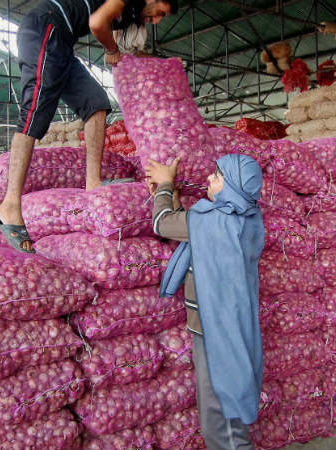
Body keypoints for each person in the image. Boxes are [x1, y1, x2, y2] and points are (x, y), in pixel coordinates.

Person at [0, 0, 178, 253]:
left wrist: (165, 65)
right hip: (46, 28)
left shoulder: (130, 15)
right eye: (160, 13)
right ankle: (9, 206)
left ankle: (93, 181)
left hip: (63, 44)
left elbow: (126, 53)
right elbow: (97, 23)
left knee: (96, 103)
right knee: (34, 112)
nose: (157, 20)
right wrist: (110, 49)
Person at [146, 154, 264, 450]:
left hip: (216, 333)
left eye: (218, 175)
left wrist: (164, 185)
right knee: (222, 407)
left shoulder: (215, 222)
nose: (209, 178)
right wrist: (172, 197)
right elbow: (195, 231)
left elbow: (162, 224)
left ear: (232, 186)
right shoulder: (246, 217)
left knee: (221, 417)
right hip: (231, 324)